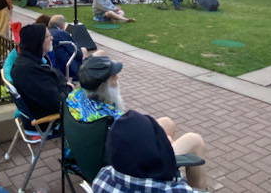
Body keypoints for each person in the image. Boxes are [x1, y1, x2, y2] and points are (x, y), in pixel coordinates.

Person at [68, 57, 207, 191]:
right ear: (100, 86)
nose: (117, 78)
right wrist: (166, 147)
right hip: (123, 170)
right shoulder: (113, 120)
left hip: (84, 158)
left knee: (167, 123)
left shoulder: (74, 96)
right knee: (195, 140)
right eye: (112, 77)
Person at [10, 24, 70, 127]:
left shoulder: (29, 61)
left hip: (42, 112)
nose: (52, 38)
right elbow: (56, 103)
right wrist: (69, 89)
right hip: (48, 121)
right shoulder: (29, 70)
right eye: (47, 36)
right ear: (38, 41)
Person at [48, 14, 88, 80]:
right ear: (62, 26)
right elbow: (77, 54)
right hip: (67, 68)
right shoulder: (61, 33)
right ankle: (85, 74)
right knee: (85, 50)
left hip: (54, 66)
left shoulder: (47, 33)